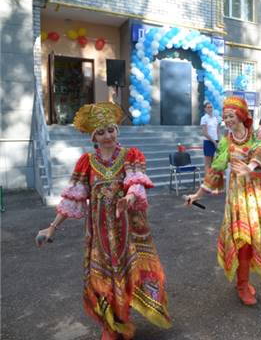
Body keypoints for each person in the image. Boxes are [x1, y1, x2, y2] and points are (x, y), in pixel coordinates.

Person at [35, 103, 171, 340]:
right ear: (93, 137)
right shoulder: (86, 163)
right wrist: (52, 227)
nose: (107, 136)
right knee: (103, 278)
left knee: (130, 274)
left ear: (117, 130)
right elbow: (73, 197)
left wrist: (129, 197)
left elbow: (135, 183)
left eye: (111, 130)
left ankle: (123, 318)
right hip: (100, 236)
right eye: (101, 132)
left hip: (129, 232)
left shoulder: (131, 156)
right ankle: (110, 325)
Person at [186, 96, 261, 306]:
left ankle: (244, 279)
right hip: (238, 197)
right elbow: (215, 170)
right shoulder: (225, 142)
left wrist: (250, 168)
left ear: (241, 115)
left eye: (231, 116)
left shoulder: (257, 134)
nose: (227, 120)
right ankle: (242, 285)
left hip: (258, 194)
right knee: (243, 240)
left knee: (258, 237)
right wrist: (197, 194)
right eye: (225, 117)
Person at [201, 101, 220, 172]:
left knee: (213, 163)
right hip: (208, 142)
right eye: (208, 107)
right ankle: (207, 181)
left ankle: (212, 181)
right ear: (205, 109)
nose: (210, 109)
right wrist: (214, 142)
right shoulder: (204, 118)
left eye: (211, 107)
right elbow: (204, 133)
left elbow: (217, 131)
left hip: (216, 141)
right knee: (208, 164)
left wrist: (219, 141)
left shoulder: (215, 118)